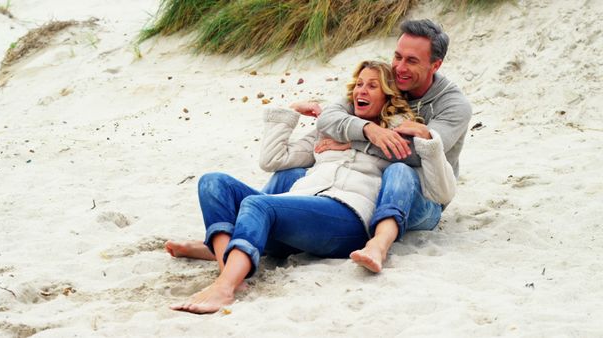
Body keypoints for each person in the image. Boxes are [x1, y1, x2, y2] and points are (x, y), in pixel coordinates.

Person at [169, 60, 439, 314]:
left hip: (347, 216)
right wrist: (291, 112)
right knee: (213, 182)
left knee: (258, 204)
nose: (361, 90)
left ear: (388, 95)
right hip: (302, 209)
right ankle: (229, 265)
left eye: (372, 85)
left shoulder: (396, 135)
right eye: (359, 84)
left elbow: (419, 167)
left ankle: (224, 286)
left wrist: (361, 143)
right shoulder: (333, 127)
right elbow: (274, 160)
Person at [288, 19, 472, 272]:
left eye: (411, 61)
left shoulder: (453, 105)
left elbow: (418, 154)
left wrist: (352, 142)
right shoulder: (388, 79)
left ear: (435, 65)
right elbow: (330, 116)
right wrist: (368, 129)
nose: (399, 67)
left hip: (424, 197)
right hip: (370, 182)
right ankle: (243, 229)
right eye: (397, 57)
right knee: (294, 172)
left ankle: (378, 245)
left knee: (400, 171)